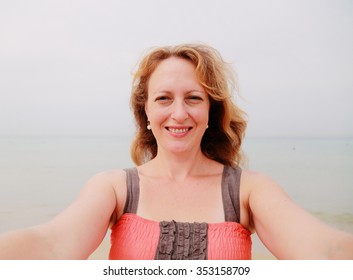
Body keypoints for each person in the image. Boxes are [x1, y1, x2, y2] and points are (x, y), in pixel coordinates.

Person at [0, 43, 352, 260]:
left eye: (194, 98)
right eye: (164, 98)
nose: (179, 113)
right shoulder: (115, 188)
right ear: (146, 113)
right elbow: (52, 246)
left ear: (211, 112)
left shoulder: (248, 191)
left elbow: (324, 251)